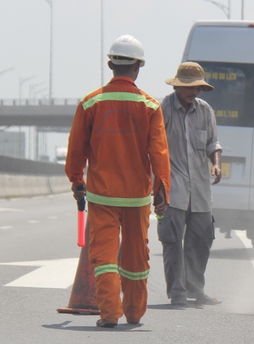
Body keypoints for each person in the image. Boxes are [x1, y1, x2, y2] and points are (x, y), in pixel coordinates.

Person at [65, 35, 171, 328]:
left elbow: (76, 150)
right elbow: (159, 153)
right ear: (138, 67)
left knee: (105, 258)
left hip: (103, 197)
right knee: (136, 259)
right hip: (137, 198)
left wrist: (77, 182)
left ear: (110, 64)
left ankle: (110, 313)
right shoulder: (150, 106)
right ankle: (135, 312)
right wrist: (162, 191)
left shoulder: (91, 103)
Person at [156, 62, 222, 306]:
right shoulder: (163, 109)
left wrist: (216, 163)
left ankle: (196, 289)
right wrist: (157, 188)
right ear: (178, 86)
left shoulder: (205, 111)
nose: (193, 93)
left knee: (202, 240)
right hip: (172, 188)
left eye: (197, 88)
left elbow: (213, 144)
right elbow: (152, 146)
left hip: (200, 190)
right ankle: (177, 292)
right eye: (188, 87)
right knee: (172, 241)